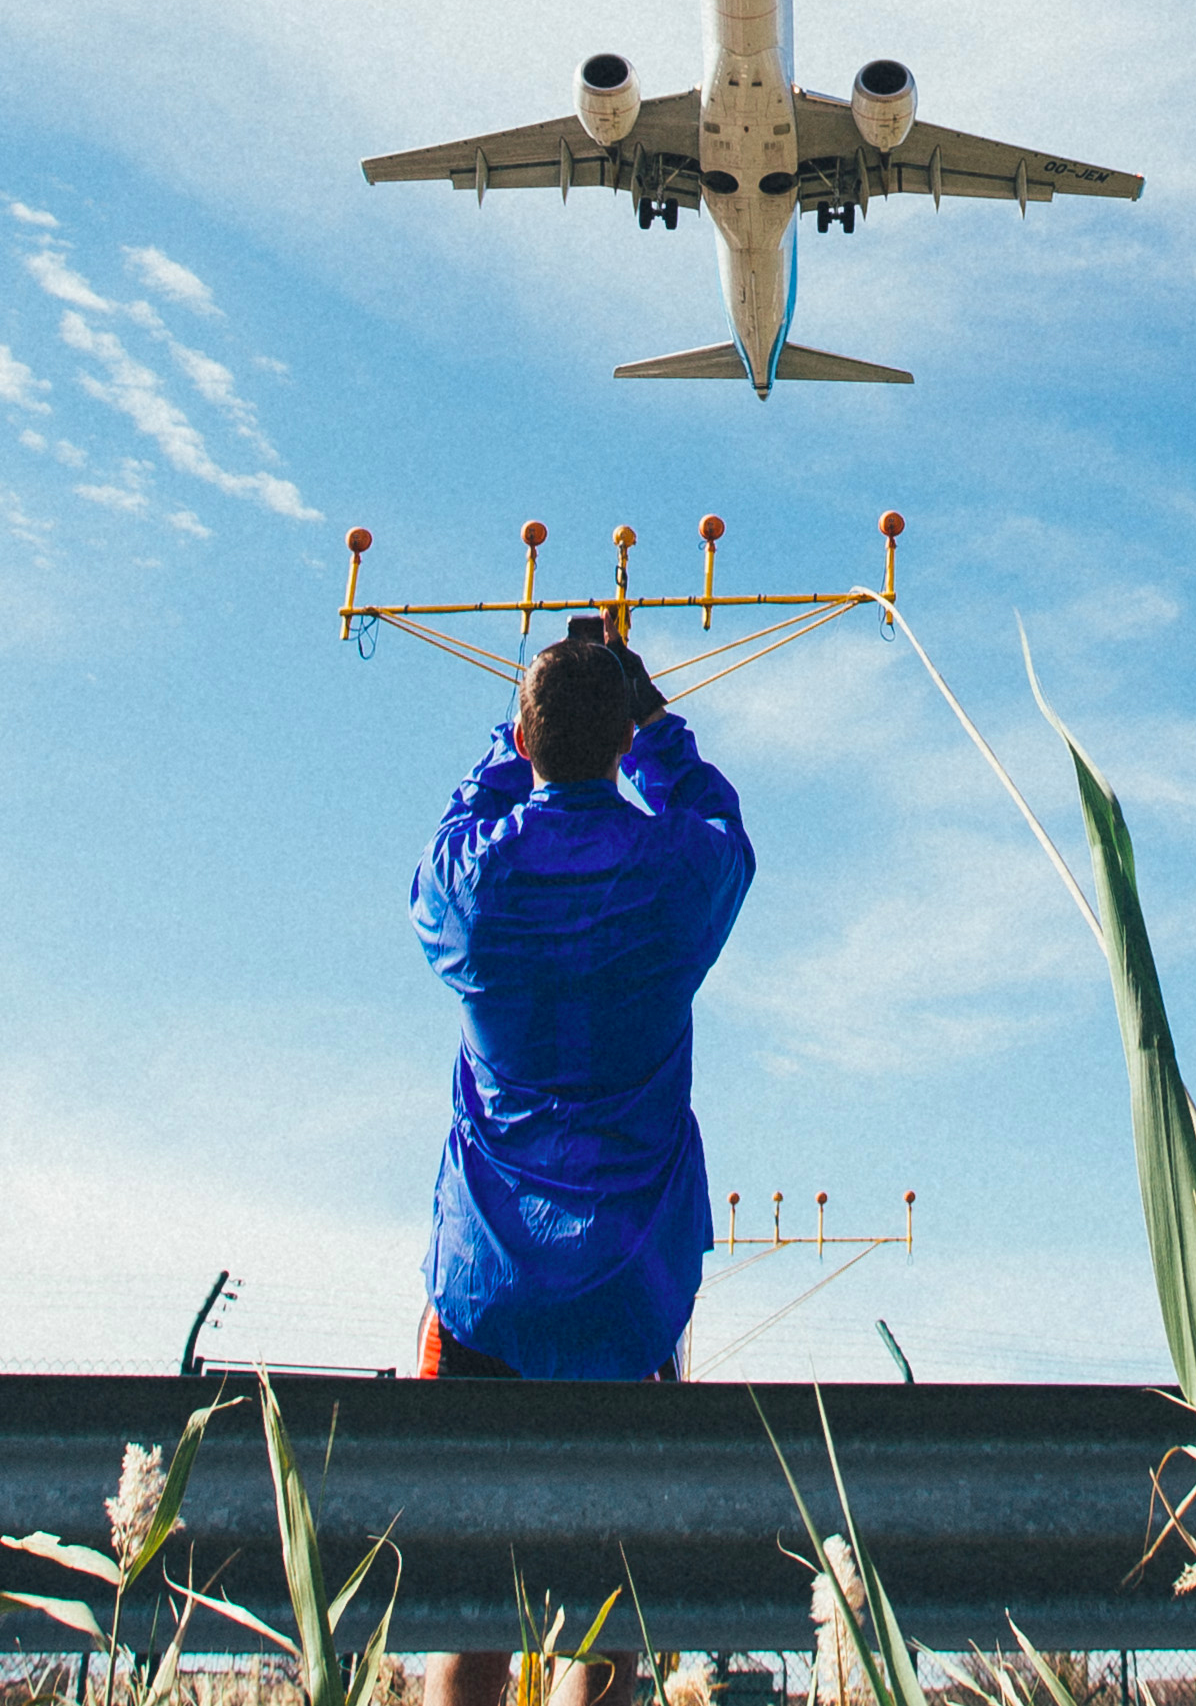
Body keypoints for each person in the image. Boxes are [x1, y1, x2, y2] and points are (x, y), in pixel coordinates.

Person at [411, 615, 754, 1706]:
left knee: (464, 1604)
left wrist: (513, 738)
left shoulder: (475, 884)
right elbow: (720, 828)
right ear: (617, 742)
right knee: (602, 1621)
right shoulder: (672, 872)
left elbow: (452, 835)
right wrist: (654, 724)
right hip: (626, 1291)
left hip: (487, 1286)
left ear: (524, 733)